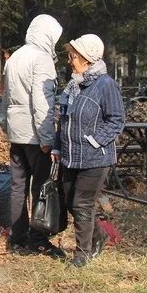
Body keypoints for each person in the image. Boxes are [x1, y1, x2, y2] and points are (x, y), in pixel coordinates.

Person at [51, 34, 125, 267]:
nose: (69, 60)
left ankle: (82, 254)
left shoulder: (106, 85)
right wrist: (57, 146)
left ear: (87, 59)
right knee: (72, 203)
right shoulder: (74, 85)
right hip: (70, 156)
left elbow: (116, 120)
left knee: (82, 204)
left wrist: (95, 141)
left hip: (95, 158)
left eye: (73, 56)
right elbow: (63, 120)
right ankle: (99, 237)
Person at [2, 14, 64, 256]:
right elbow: (43, 103)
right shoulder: (42, 60)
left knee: (18, 186)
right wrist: (47, 138)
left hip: (16, 132)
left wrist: (9, 128)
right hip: (35, 135)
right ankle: (38, 238)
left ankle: (17, 238)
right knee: (40, 186)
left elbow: (6, 98)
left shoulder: (15, 57)